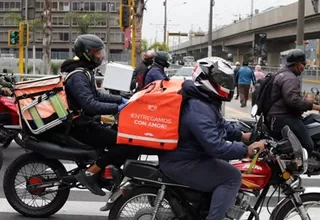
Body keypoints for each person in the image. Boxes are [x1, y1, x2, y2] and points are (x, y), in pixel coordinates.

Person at [159, 57, 265, 220]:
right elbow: (216, 146)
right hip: (181, 162)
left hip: (189, 157)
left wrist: (242, 136)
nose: (226, 85)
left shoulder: (204, 101)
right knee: (232, 177)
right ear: (206, 78)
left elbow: (220, 124)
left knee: (227, 165)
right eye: (221, 80)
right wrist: (246, 150)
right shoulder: (198, 107)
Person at [60, 34, 158, 196]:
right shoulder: (78, 76)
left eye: (100, 52)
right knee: (123, 142)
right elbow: (90, 104)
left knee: (121, 133)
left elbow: (97, 96)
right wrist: (118, 107)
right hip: (79, 125)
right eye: (97, 52)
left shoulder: (84, 71)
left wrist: (125, 99)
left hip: (84, 121)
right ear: (87, 53)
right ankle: (90, 174)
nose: (100, 55)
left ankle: (107, 172)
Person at [266, 49, 320, 171]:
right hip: (283, 117)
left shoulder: (281, 73)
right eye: (304, 65)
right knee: (307, 144)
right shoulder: (290, 78)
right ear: (298, 64)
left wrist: (306, 100)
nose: (304, 68)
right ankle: (299, 167)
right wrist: (315, 107)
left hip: (275, 116)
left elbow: (287, 97)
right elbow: (293, 101)